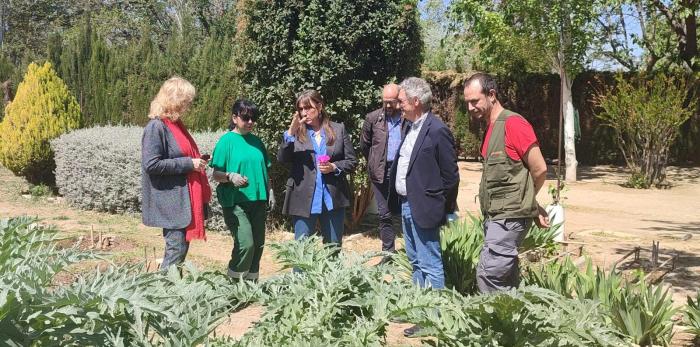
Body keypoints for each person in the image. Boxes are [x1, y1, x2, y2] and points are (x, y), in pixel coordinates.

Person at [462, 72, 550, 294]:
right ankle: (512, 326)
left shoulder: (513, 124)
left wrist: (528, 201)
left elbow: (539, 169)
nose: (471, 108)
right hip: (496, 217)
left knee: (489, 275)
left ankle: (493, 326)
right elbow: (514, 176)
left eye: (475, 101)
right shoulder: (491, 129)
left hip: (508, 219)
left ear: (491, 95)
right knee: (505, 279)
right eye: (467, 103)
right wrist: (532, 204)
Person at [391, 77, 459, 337]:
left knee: (430, 263)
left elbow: (450, 176)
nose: (398, 105)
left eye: (402, 100)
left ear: (416, 102)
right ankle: (418, 309)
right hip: (407, 205)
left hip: (425, 207)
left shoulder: (437, 129)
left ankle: (434, 316)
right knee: (416, 261)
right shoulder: (411, 126)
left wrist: (442, 207)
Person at [141, 76, 212, 270]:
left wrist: (197, 162)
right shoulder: (156, 127)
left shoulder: (175, 125)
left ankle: (171, 292)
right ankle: (165, 295)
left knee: (178, 253)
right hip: (171, 203)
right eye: (185, 101)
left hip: (182, 201)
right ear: (174, 100)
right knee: (175, 253)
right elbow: (151, 164)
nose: (188, 105)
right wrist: (189, 163)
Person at [278, 90, 357, 248]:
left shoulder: (338, 129)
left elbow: (352, 161)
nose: (304, 112)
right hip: (303, 199)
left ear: (320, 106)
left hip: (332, 199)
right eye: (300, 109)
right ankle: (299, 275)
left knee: (333, 248)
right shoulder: (295, 134)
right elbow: (282, 158)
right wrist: (290, 133)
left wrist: (334, 167)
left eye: (308, 108)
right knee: (302, 250)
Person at [210, 99, 274, 281]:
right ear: (235, 117)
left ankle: (250, 285)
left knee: (258, 245)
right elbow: (216, 174)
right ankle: (233, 284)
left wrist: (270, 191)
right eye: (246, 118)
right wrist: (230, 176)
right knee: (246, 244)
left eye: (253, 118)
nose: (251, 122)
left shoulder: (257, 142)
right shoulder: (226, 141)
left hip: (258, 200)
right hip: (236, 202)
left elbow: (265, 170)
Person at [360, 83, 405, 254]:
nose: (387, 105)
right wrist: (374, 162)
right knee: (384, 214)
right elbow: (365, 145)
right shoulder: (373, 118)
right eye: (384, 101)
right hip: (380, 171)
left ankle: (412, 254)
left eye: (391, 102)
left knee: (405, 212)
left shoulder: (406, 118)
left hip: (401, 171)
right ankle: (388, 253)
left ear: (399, 100)